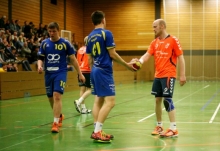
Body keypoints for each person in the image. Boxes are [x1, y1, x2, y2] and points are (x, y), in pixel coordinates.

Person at [86, 10, 135, 143]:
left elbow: (90, 59)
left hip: (95, 70)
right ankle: (97, 132)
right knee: (110, 102)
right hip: (104, 71)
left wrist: (93, 73)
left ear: (93, 22)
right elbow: (112, 54)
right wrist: (127, 65)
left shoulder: (89, 37)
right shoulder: (106, 33)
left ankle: (97, 130)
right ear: (103, 20)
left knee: (98, 100)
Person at [133, 19, 186, 138]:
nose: (153, 29)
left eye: (155, 26)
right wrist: (139, 61)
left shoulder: (173, 40)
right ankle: (159, 126)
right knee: (157, 100)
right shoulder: (154, 42)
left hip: (168, 74)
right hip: (158, 75)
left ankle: (173, 129)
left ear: (162, 26)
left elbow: (181, 57)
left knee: (167, 100)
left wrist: (182, 74)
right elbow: (147, 55)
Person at [37, 22, 85, 133]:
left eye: (53, 31)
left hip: (61, 73)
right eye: (50, 31)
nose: (51, 33)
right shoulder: (44, 43)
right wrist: (40, 66)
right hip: (48, 73)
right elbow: (40, 57)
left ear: (58, 31)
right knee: (50, 98)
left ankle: (55, 123)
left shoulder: (65, 43)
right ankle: (59, 115)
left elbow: (73, 59)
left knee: (57, 96)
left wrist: (80, 73)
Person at [74, 36, 92, 114]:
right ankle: (79, 101)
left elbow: (77, 60)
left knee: (82, 89)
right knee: (90, 89)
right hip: (87, 71)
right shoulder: (90, 49)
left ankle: (83, 108)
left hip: (80, 71)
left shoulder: (79, 49)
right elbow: (90, 60)